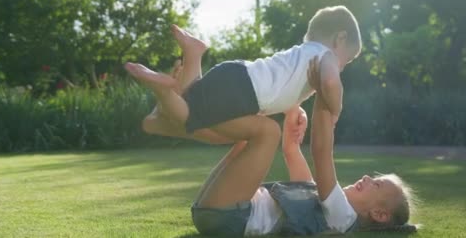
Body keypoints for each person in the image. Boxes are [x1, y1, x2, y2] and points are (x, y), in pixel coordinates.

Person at [126, 18, 417, 235]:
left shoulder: (344, 217)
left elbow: (321, 152)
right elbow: (291, 151)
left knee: (266, 131)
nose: (368, 177)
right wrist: (293, 115)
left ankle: (171, 100)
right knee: (249, 127)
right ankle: (168, 116)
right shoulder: (320, 197)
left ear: (378, 214)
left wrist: (325, 104)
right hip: (217, 211)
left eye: (377, 184)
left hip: (230, 218)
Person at [124, 5, 361, 147]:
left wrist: (294, 106)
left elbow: (284, 84)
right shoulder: (327, 56)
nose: (341, 68)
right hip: (244, 90)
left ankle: (193, 53)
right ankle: (163, 89)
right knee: (189, 116)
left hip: (237, 74)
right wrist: (336, 110)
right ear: (339, 39)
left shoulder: (304, 53)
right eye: (346, 61)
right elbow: (331, 83)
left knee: (191, 97)